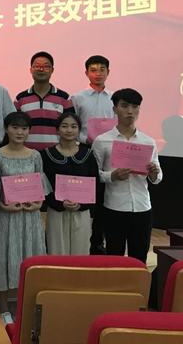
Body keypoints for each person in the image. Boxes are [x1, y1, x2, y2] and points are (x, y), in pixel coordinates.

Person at [0, 111, 49, 321]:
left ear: (29, 131)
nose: (19, 132)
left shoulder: (35, 155)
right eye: (15, 127)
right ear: (6, 129)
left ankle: (28, 307)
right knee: (3, 257)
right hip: (6, 216)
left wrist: (38, 203)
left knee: (31, 258)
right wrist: (2, 206)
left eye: (24, 128)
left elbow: (40, 184)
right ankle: (4, 308)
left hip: (30, 217)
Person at [92, 89, 162, 263]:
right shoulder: (102, 141)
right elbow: (93, 175)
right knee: (114, 256)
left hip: (142, 207)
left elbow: (158, 177)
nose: (130, 111)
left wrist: (154, 173)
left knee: (139, 257)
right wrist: (112, 176)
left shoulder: (148, 141)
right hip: (114, 206)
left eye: (135, 107)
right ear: (115, 109)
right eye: (124, 106)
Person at [70, 55, 114, 255]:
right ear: (86, 73)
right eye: (93, 70)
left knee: (103, 197)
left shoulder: (114, 99)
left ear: (108, 72)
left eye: (102, 69)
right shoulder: (77, 98)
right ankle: (79, 239)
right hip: (85, 150)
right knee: (83, 194)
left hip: (108, 152)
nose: (98, 73)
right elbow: (73, 124)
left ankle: (97, 241)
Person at [41, 113, 100, 255]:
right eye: (64, 126)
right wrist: (58, 203)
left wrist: (82, 205)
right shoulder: (46, 155)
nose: (69, 130)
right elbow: (43, 186)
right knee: (56, 251)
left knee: (81, 252)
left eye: (74, 126)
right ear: (57, 130)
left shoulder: (88, 155)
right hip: (56, 212)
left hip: (81, 211)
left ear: (79, 130)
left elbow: (95, 184)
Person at [15, 51, 74, 150]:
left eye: (46, 66)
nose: (41, 69)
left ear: (52, 70)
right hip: (27, 154)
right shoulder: (20, 99)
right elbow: (15, 129)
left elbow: (70, 128)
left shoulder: (64, 98)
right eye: (37, 66)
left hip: (56, 154)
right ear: (31, 70)